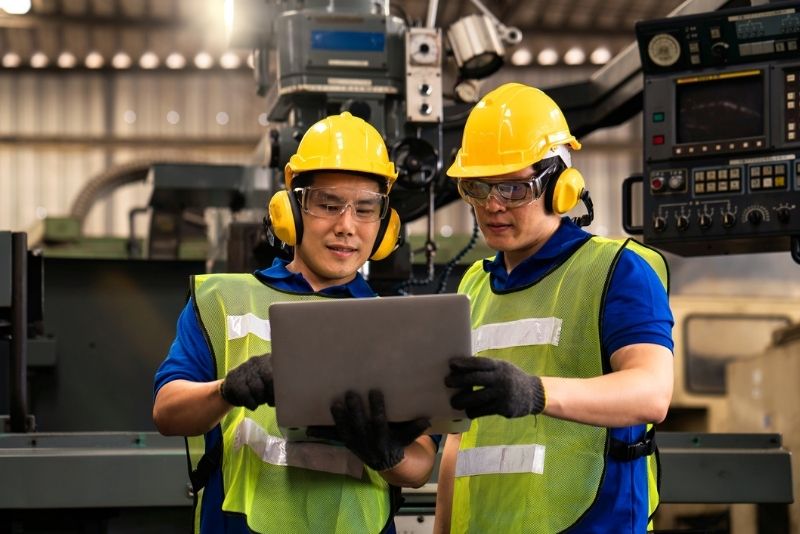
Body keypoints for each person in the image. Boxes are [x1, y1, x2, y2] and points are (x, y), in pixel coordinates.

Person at [152, 112, 437, 534]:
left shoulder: (398, 324)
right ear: (291, 210)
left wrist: (386, 454)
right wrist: (227, 389)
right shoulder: (223, 301)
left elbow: (419, 465)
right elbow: (166, 413)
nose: (346, 227)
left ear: (385, 223)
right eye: (327, 205)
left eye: (365, 209)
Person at [433, 83, 674, 533]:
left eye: (514, 188)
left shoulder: (618, 270)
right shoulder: (475, 284)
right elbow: (457, 439)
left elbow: (652, 392)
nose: (492, 205)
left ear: (561, 186)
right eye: (477, 186)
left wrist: (535, 392)